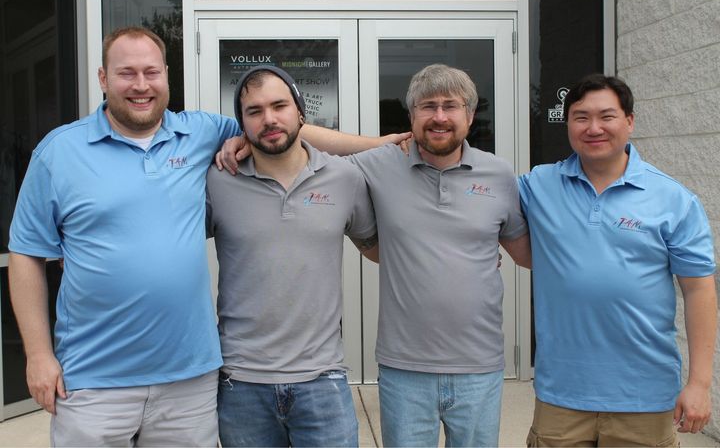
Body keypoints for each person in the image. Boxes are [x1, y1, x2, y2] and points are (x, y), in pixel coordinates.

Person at [7, 26, 405, 446]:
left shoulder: (199, 133)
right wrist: (37, 354)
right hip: (92, 379)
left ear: (166, 76)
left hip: (190, 381)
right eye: (126, 73)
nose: (141, 85)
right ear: (103, 79)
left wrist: (376, 144)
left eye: (151, 72)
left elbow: (283, 129)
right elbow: (26, 255)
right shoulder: (59, 152)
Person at [220, 63, 532, 447]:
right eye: (427, 106)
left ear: (470, 114)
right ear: (411, 115)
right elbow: (295, 133)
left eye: (451, 106)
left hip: (480, 364)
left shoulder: (499, 174)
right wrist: (246, 139)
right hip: (403, 367)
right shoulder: (374, 167)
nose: (439, 117)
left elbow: (525, 253)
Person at [519, 74, 717, 446]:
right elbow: (471, 195)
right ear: (568, 125)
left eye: (606, 116)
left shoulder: (674, 199)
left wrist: (700, 383)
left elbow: (699, 290)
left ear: (629, 121)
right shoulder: (538, 186)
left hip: (643, 395)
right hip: (562, 394)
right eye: (580, 117)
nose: (593, 128)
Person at [206, 65, 378, 447]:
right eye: (254, 111)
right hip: (241, 383)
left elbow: (378, 249)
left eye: (279, 105)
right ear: (242, 126)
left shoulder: (345, 179)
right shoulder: (218, 180)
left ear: (300, 112)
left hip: (322, 380)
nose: (269, 119)